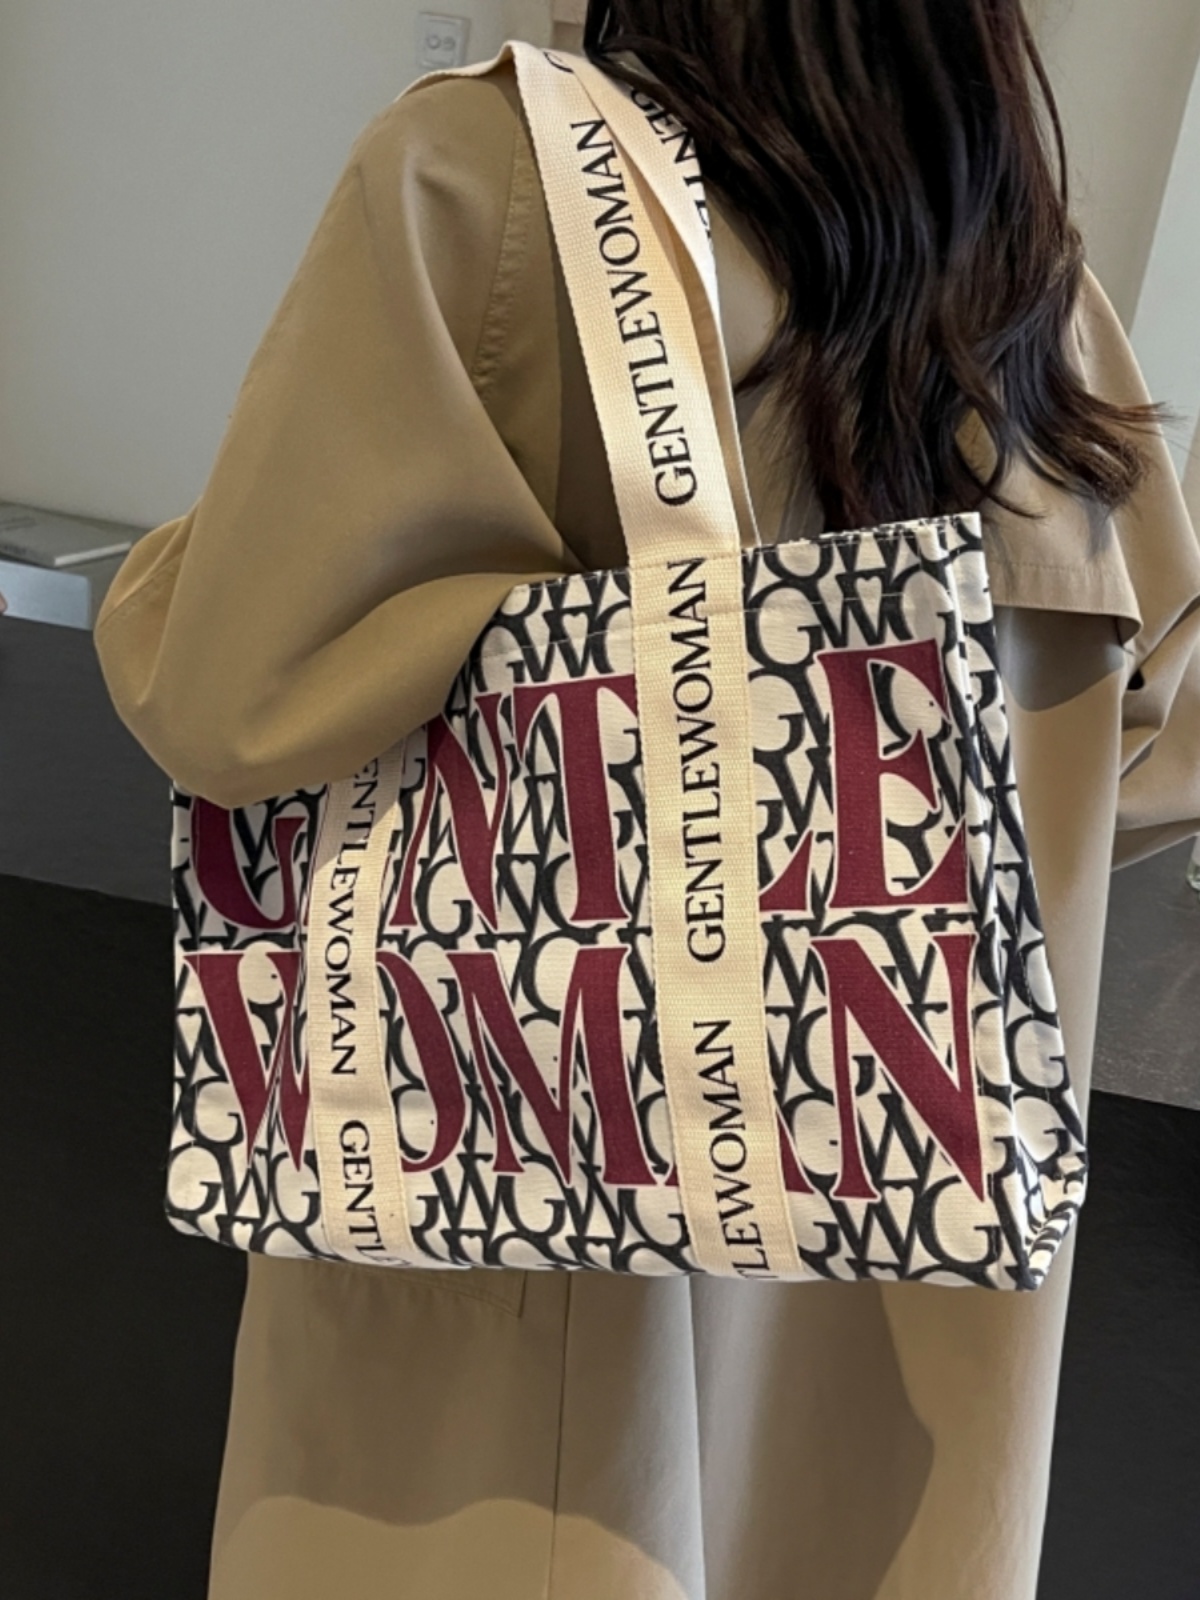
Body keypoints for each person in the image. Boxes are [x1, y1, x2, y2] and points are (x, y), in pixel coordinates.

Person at [93, 3, 1200, 1597]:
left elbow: (231, 691)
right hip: (907, 1364)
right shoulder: (1032, 292)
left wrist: (159, 583)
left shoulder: (487, 179)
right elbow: (1137, 751)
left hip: (529, 1352)